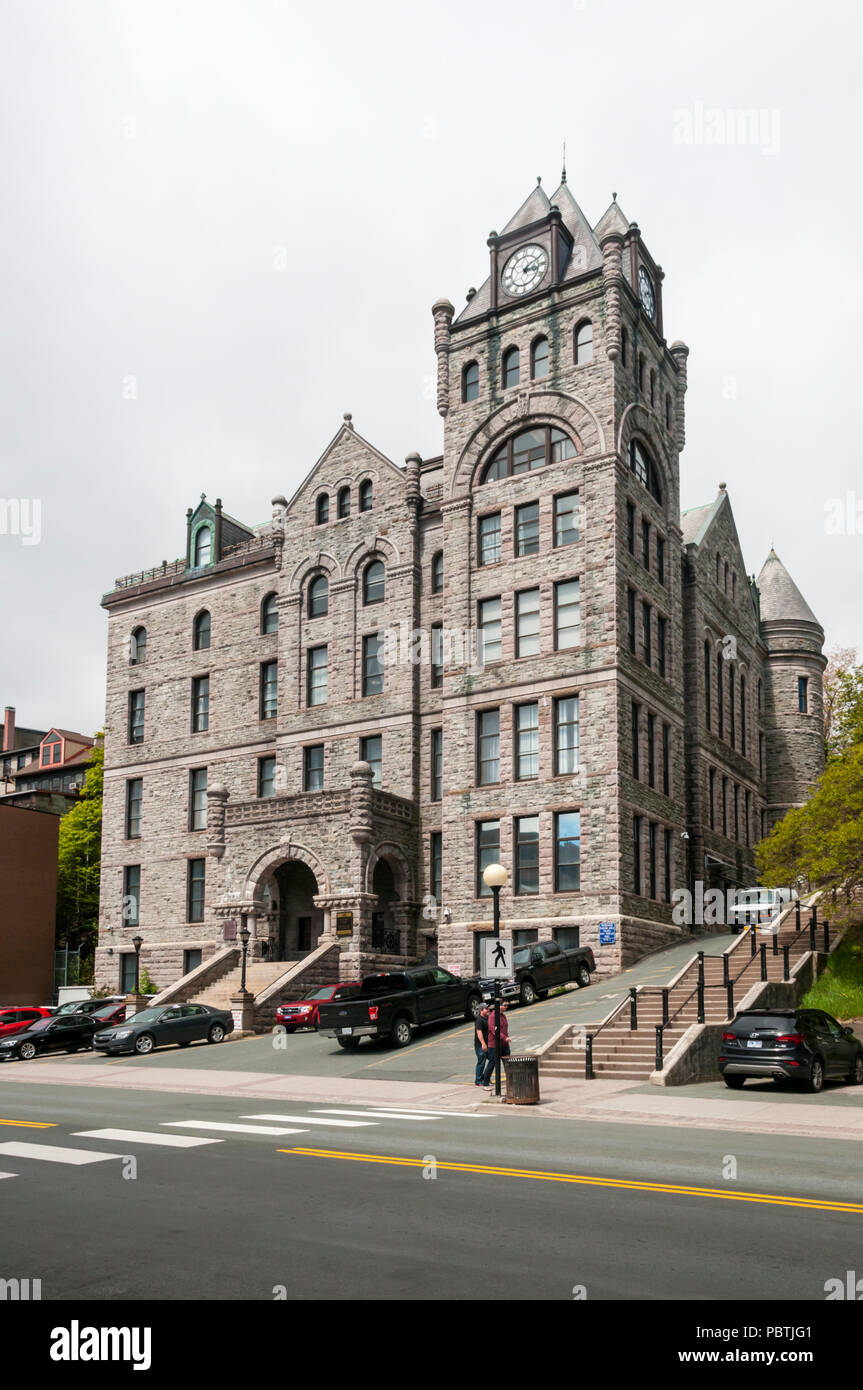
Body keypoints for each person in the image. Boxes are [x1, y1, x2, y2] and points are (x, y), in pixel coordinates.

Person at [482, 1001, 511, 1089]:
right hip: (494, 1045)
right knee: (492, 1063)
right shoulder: (492, 1016)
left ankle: (510, 1080)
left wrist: (507, 1037)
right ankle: (485, 1083)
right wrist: (504, 1037)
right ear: (499, 1005)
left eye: (507, 1005)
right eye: (505, 1005)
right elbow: (494, 1030)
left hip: (504, 1044)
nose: (506, 1007)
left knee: (507, 1063)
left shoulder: (503, 1016)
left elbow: (505, 1029)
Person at [474, 1002, 490, 1086]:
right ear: (481, 1010)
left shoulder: (487, 1018)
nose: (488, 1010)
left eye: (488, 1008)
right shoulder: (479, 1020)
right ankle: (478, 1080)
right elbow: (479, 1032)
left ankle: (486, 1077)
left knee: (492, 1059)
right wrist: (483, 1044)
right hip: (481, 1046)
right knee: (481, 1062)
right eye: (486, 1009)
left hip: (488, 1044)